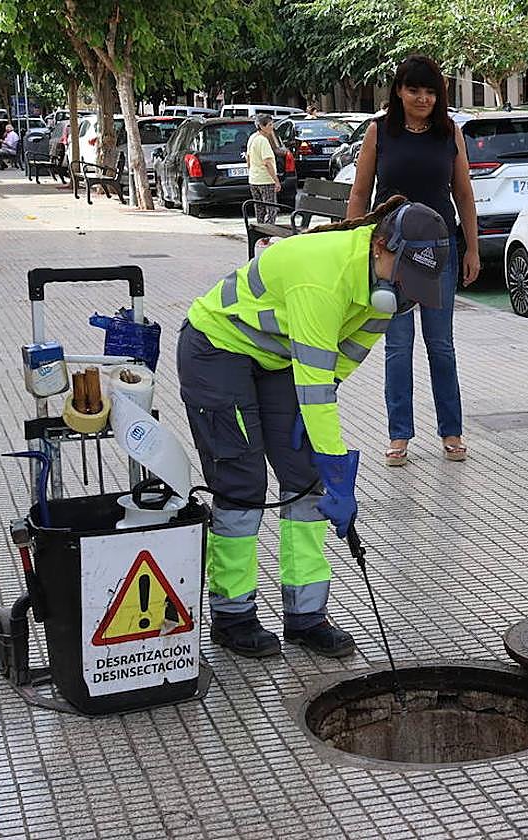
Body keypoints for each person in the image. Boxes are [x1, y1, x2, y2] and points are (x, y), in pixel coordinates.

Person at [178, 197, 451, 659]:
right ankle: (232, 615)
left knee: (306, 480)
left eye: (417, 282)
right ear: (380, 246)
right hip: (217, 348)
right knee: (243, 483)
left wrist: (324, 462)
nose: (407, 290)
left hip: (276, 357)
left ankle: (305, 616)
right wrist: (340, 472)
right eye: (404, 272)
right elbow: (314, 386)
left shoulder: (391, 294)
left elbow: (340, 363)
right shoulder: (323, 278)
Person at [347, 54, 481, 467]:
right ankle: (398, 435)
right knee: (397, 346)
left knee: (441, 347)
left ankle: (452, 432)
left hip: (438, 254)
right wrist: (353, 247)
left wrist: (471, 248)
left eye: (429, 91)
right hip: (390, 254)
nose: (422, 98)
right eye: (413, 89)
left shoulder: (449, 133)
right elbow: (359, 193)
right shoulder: (379, 132)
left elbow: (463, 194)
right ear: (399, 92)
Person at [246, 114, 282, 224]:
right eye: (270, 125)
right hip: (265, 180)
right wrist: (276, 181)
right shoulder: (263, 141)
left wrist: (251, 171)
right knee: (271, 209)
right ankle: (268, 234)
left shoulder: (252, 137)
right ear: (262, 126)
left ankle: (260, 233)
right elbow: (267, 162)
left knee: (259, 208)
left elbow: (248, 158)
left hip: (254, 179)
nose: (272, 127)